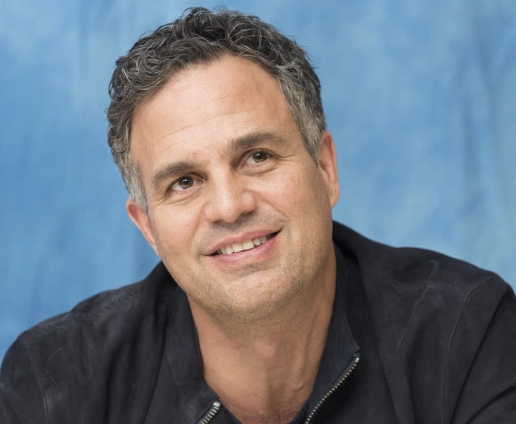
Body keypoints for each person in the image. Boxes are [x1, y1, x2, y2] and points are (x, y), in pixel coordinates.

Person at [1, 7, 515, 424]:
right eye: (184, 182)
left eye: (258, 156)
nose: (230, 206)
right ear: (148, 227)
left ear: (325, 169)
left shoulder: (465, 331)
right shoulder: (55, 384)